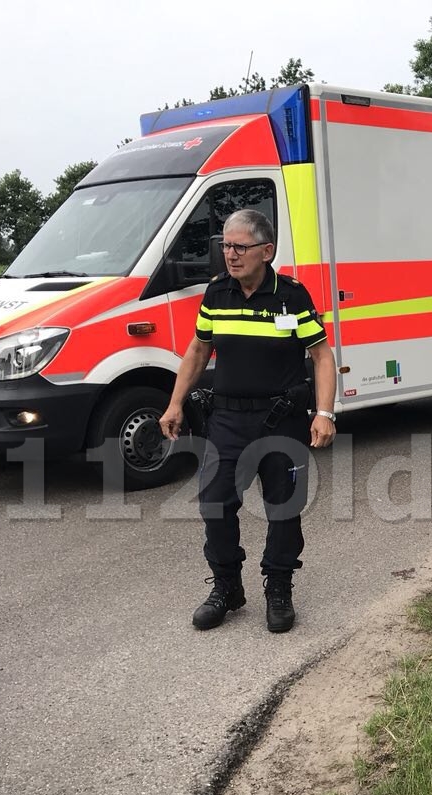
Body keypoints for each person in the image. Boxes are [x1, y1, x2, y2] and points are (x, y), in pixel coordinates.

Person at [159, 209, 337, 633]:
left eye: (240, 246)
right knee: (214, 503)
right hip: (227, 421)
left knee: (283, 509)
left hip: (281, 420)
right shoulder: (216, 294)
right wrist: (175, 403)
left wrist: (325, 413)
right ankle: (227, 588)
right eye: (225, 246)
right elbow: (198, 351)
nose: (231, 255)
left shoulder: (291, 296)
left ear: (267, 251)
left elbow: (321, 355)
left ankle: (278, 587)